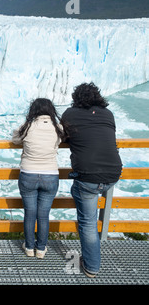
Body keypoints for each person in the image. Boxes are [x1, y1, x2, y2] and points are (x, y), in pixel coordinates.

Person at [61, 82, 122, 278]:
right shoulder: (108, 114)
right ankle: (93, 257)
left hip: (87, 177)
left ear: (76, 98)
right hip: (113, 174)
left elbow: (66, 137)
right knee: (93, 208)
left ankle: (92, 266)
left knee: (87, 222)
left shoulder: (70, 114)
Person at [12, 98, 64, 259]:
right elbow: (60, 141)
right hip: (50, 175)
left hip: (29, 174)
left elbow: (15, 139)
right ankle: (41, 249)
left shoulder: (27, 127)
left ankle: (29, 247)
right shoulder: (58, 128)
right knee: (43, 214)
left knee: (30, 213)